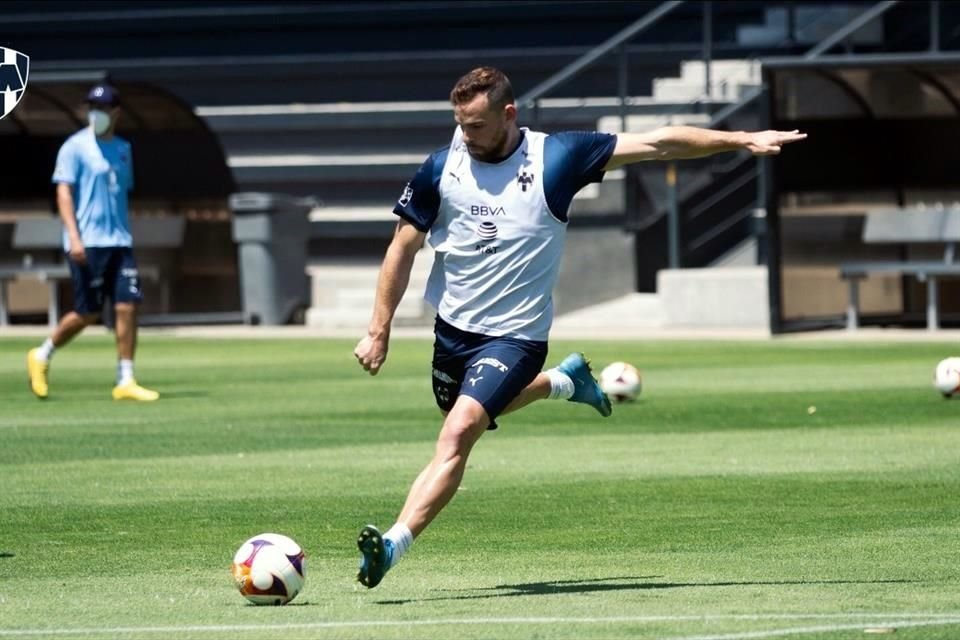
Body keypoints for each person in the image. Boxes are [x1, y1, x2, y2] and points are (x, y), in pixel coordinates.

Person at [352, 66, 805, 588]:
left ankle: (392, 544)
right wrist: (378, 328)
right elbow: (401, 246)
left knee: (458, 431)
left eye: (476, 125)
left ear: (508, 114)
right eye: (460, 124)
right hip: (454, 330)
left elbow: (659, 145)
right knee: (459, 411)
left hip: (517, 334)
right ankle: (563, 382)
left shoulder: (558, 158)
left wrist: (743, 138)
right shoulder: (441, 167)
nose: (466, 136)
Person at [26, 83, 159, 402]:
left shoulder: (124, 149)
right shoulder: (74, 147)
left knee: (128, 305)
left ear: (116, 113)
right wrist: (74, 236)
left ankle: (125, 378)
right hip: (88, 242)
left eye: (103, 108)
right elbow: (64, 193)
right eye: (92, 107)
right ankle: (42, 354)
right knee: (87, 312)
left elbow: (120, 193)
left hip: (119, 241)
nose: (96, 113)